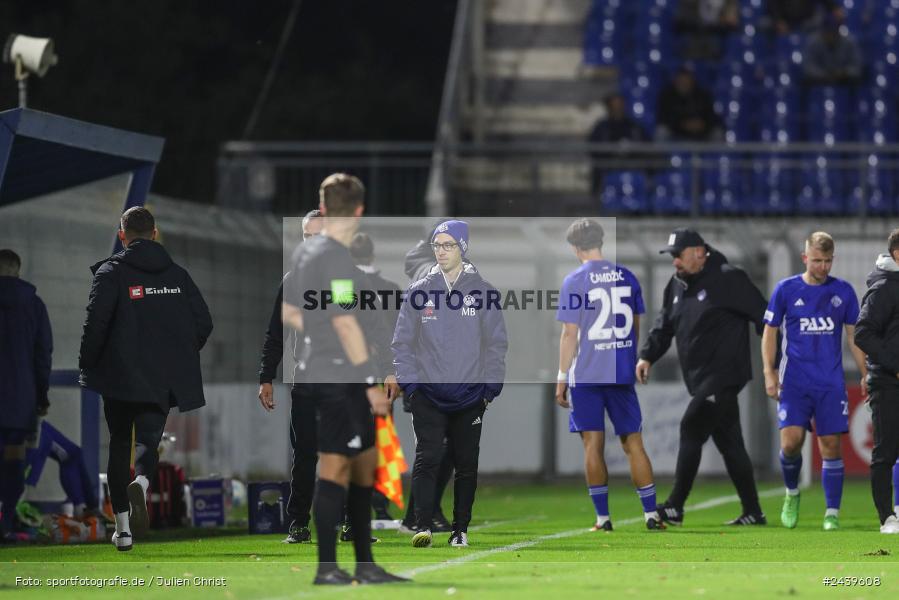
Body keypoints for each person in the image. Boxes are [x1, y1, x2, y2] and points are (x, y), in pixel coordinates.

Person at [282, 173, 406, 585]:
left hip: (315, 371)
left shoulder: (303, 256)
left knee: (360, 463)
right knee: (339, 466)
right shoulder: (334, 259)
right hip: (340, 377)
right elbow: (347, 324)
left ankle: (362, 564)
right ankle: (330, 567)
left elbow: (288, 313)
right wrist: (370, 383)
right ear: (357, 211)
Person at [78, 207, 213, 552]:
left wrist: (89, 365)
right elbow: (203, 323)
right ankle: (142, 480)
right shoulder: (178, 275)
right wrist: (177, 355)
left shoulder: (110, 272)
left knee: (120, 442)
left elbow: (95, 325)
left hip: (120, 374)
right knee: (148, 441)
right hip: (161, 375)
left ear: (122, 235)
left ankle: (122, 530)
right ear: (155, 234)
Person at [637, 228, 766, 526]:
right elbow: (663, 326)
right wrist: (647, 356)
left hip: (724, 374)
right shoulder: (677, 285)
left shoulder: (729, 278)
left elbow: (765, 317)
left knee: (690, 427)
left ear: (698, 252)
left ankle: (675, 506)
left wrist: (777, 361)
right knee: (730, 443)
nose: (675, 263)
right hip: (698, 378)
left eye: (678, 256)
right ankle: (754, 511)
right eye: (672, 257)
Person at [392, 220, 508, 548]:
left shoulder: (484, 292)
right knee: (427, 458)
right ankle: (423, 525)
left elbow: (496, 344)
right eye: (437, 246)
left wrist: (489, 390)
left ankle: (460, 530)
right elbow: (402, 343)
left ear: (463, 248)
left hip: (470, 395)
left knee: (465, 464)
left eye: (448, 245)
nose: (441, 251)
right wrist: (412, 387)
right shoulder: (418, 292)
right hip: (427, 394)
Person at [554, 219, 665, 532]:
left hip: (587, 373)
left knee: (593, 445)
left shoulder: (574, 281)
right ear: (601, 241)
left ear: (576, 248)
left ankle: (603, 519)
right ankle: (651, 515)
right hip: (620, 370)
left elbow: (569, 334)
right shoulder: (627, 277)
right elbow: (635, 324)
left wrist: (561, 376)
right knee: (634, 443)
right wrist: (629, 357)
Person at [762, 232, 866, 531]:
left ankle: (831, 512)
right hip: (794, 381)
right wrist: (769, 373)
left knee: (831, 445)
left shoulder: (843, 292)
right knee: (791, 442)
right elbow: (769, 332)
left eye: (828, 261)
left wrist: (865, 372)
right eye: (817, 260)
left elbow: (852, 335)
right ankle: (792, 493)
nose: (823, 267)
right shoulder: (785, 289)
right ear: (805, 258)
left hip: (829, 382)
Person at [257, 209, 323, 544]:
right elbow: (275, 333)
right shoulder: (292, 281)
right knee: (305, 454)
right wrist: (266, 376)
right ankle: (298, 523)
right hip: (306, 381)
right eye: (307, 236)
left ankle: (348, 523)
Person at [349, 232, 402, 524]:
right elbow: (399, 335)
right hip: (383, 376)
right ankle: (380, 505)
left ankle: (350, 506)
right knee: (383, 439)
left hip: (349, 373)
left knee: (350, 439)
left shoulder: (344, 285)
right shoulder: (391, 289)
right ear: (372, 256)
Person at [0, 249, 52, 542]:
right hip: (21, 401)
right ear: (18, 271)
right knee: (14, 459)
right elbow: (43, 354)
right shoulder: (34, 305)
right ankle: (5, 520)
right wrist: (41, 395)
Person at [854, 228, 899, 534]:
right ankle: (887, 518)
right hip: (887, 381)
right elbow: (862, 332)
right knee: (886, 450)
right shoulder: (884, 287)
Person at [588, 94, 649, 195]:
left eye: (620, 105)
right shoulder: (601, 127)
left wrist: (631, 149)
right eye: (614, 105)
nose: (617, 108)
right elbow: (593, 148)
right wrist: (610, 151)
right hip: (608, 166)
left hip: (631, 165)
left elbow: (646, 145)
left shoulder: (633, 126)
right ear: (609, 107)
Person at [655, 67, 723, 142]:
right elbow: (663, 118)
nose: (684, 84)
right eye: (681, 82)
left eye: (686, 81)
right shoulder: (667, 95)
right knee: (661, 131)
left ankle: (718, 154)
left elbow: (712, 116)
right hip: (676, 131)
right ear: (676, 81)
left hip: (701, 132)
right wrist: (683, 124)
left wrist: (703, 124)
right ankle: (661, 154)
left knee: (717, 133)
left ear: (692, 81)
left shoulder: (703, 95)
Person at [802, 18, 862, 86]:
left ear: (838, 32)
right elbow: (808, 67)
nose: (830, 35)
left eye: (833, 32)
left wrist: (844, 73)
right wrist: (824, 75)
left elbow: (857, 67)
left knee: (855, 81)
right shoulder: (813, 42)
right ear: (822, 32)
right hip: (819, 82)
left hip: (843, 82)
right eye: (827, 32)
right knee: (806, 81)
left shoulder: (849, 42)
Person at [674, 0, 739, 60]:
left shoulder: (730, 2)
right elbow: (682, 18)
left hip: (719, 38)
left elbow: (732, 21)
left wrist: (723, 19)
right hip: (695, 36)